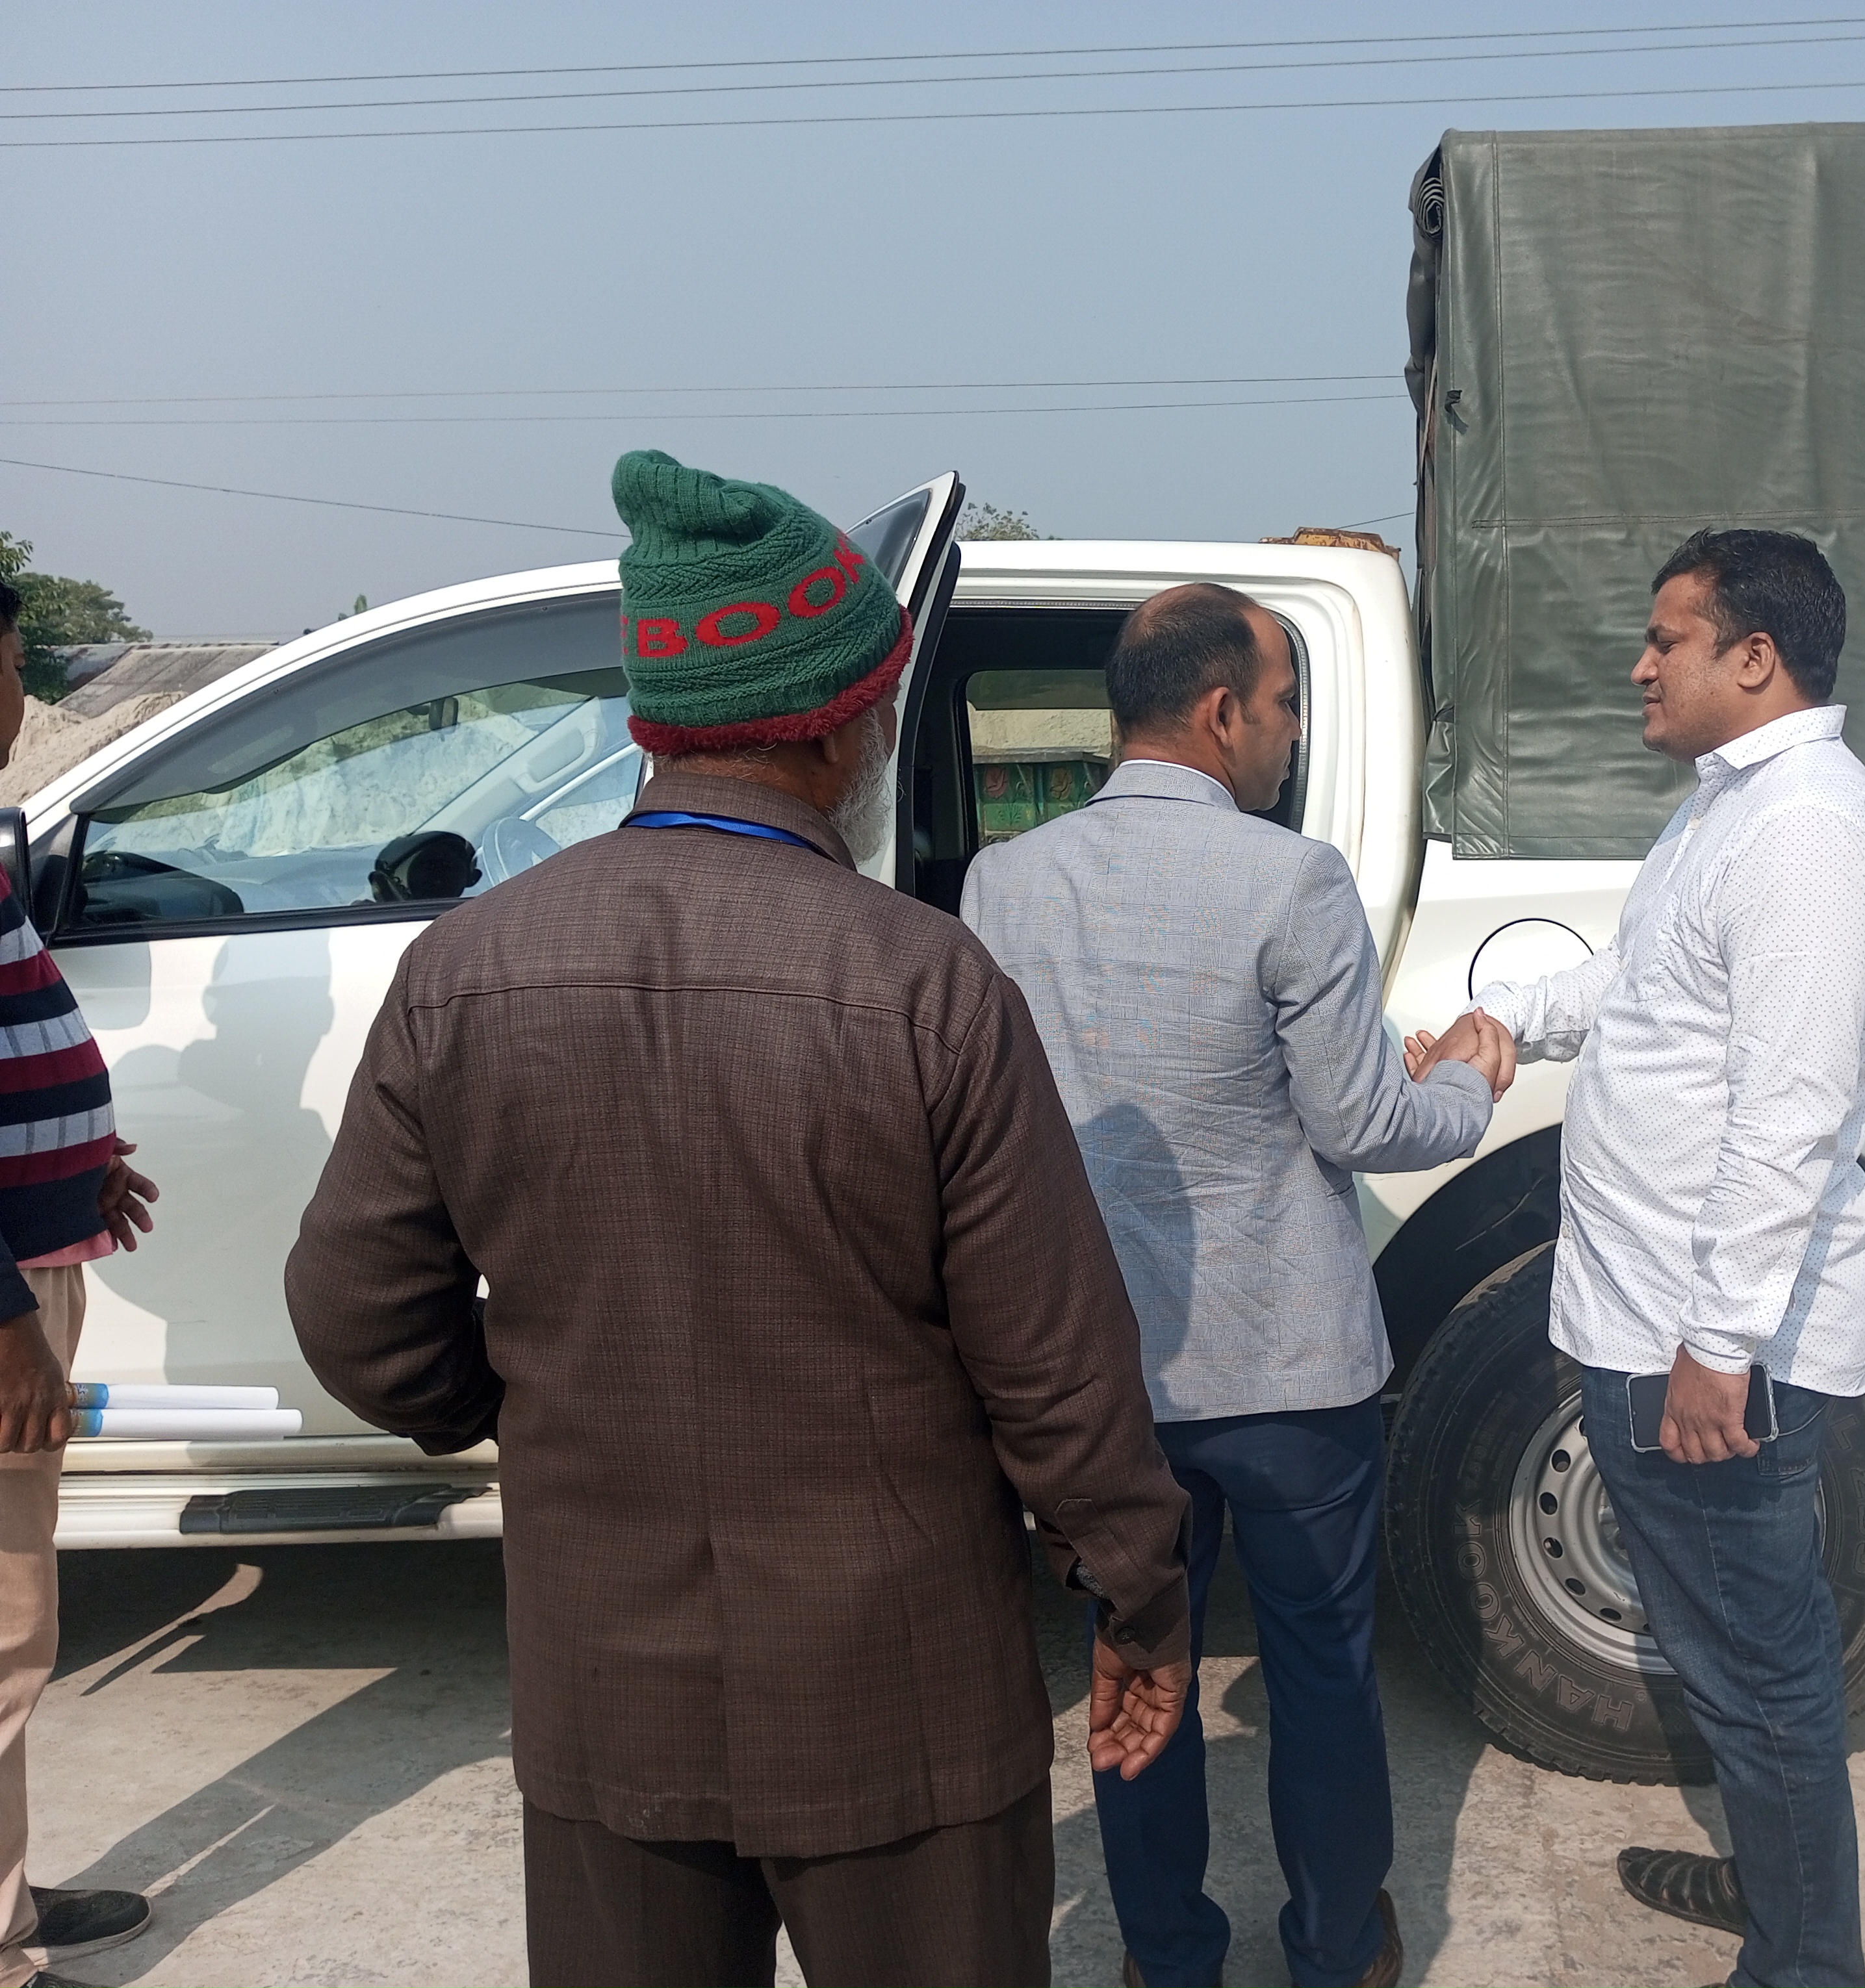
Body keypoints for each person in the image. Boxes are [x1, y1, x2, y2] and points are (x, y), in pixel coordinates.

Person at [285, 453, 1195, 1988]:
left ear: (658, 721)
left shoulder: (464, 970)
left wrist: (526, 1406)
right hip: (899, 1699)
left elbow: (353, 1314)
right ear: (841, 728)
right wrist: (1137, 1588)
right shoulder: (924, 984)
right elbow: (1053, 1364)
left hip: (606, 1696)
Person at [962, 585, 1511, 1988]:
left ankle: (1167, 1959)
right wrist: (1464, 1080)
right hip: (1288, 1376)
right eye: (1281, 706)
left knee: (1136, 1662)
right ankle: (1336, 1950)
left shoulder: (1004, 885)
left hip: (1103, 1382)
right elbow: (1364, 1124)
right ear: (1220, 713)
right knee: (1322, 1667)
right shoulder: (1291, 880)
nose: (1288, 734)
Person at [1413, 529, 1865, 1988]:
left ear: (1754, 658)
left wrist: (1718, 1347)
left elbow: (1789, 1115)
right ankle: (1779, 1892)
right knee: (1729, 1654)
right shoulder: (1733, 811)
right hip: (1654, 1316)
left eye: (1668, 640)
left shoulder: (1804, 834)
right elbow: (1646, 982)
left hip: (1708, 1345)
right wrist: (1513, 1019)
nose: (1641, 667)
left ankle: (1807, 1961)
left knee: (1760, 1669)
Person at [0, 580, 162, 1988]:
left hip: (33, 1248)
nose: (15, 704)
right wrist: (7, 1334)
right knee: (2, 1632)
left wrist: (76, 1169)